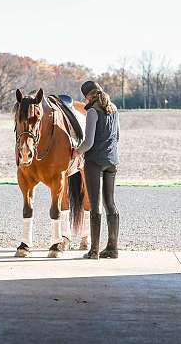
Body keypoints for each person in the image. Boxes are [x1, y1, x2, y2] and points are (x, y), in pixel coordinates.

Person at [73, 81, 120, 259]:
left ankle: (94, 251)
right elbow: (118, 136)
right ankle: (112, 248)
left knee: (95, 204)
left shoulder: (92, 111)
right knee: (110, 203)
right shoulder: (114, 108)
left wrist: (76, 152)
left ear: (88, 96)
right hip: (112, 161)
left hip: (95, 162)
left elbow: (89, 142)